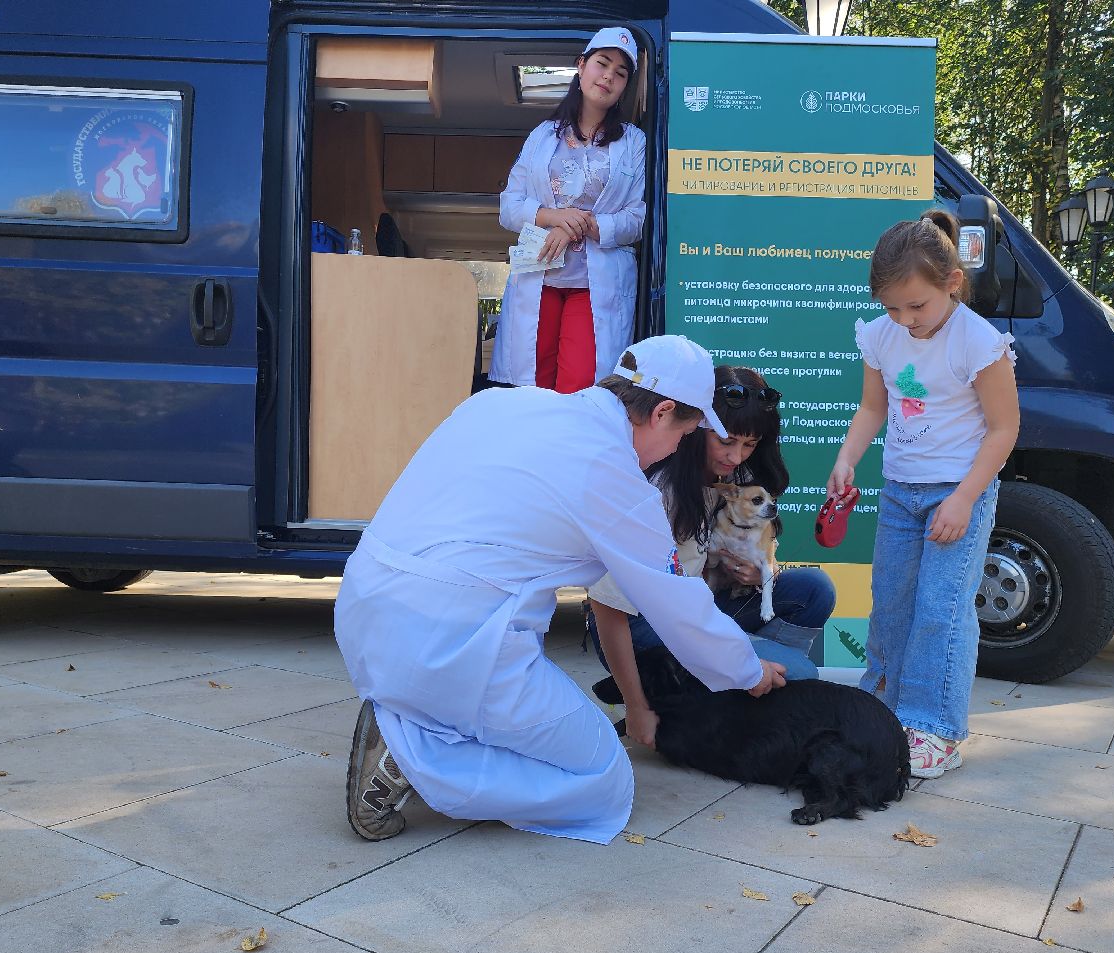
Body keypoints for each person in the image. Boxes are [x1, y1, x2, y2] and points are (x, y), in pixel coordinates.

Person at [336, 335, 786, 844]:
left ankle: (419, 716)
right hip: (454, 644)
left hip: (363, 607)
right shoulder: (612, 474)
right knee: (603, 783)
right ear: (662, 413)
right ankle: (409, 756)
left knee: (520, 715)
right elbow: (678, 606)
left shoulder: (501, 403)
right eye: (685, 434)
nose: (678, 448)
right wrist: (747, 671)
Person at [827, 208, 1020, 779]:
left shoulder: (979, 342)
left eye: (916, 306)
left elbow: (1004, 429)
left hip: (958, 493)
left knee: (941, 609)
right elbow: (872, 408)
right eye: (892, 307)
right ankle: (883, 712)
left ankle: (935, 728)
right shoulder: (881, 335)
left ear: (952, 282)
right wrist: (846, 458)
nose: (906, 320)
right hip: (899, 492)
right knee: (890, 603)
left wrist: (963, 499)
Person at [586, 365, 837, 747]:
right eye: (726, 440)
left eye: (750, 444)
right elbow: (605, 607)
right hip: (644, 627)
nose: (736, 456)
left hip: (702, 608)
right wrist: (636, 706)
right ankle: (726, 680)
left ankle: (741, 680)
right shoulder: (659, 492)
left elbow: (760, 553)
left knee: (814, 589)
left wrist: (757, 575)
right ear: (695, 427)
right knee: (800, 673)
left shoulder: (739, 479)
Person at [489, 27, 646, 393]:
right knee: (532, 386)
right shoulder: (543, 135)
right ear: (581, 65)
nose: (608, 76)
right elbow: (509, 206)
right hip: (539, 273)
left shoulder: (633, 142)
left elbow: (636, 219)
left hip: (593, 284)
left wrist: (583, 225)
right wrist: (555, 218)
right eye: (602, 63)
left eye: (621, 73)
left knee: (580, 385)